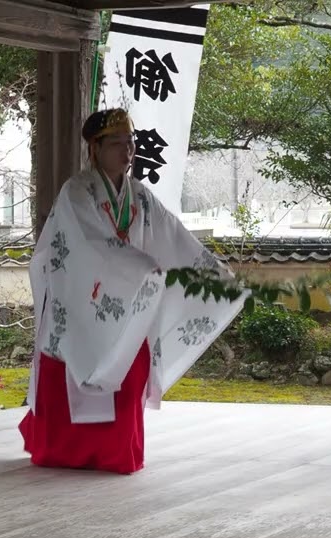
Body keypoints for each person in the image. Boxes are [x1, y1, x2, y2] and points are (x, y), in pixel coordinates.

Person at [19, 108, 245, 474]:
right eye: (118, 145)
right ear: (95, 148)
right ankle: (64, 451)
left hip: (129, 300)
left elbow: (173, 235)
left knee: (129, 370)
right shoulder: (76, 192)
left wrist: (212, 273)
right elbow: (88, 241)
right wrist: (138, 265)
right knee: (73, 363)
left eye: (131, 144)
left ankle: (115, 452)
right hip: (79, 299)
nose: (128, 152)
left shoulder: (140, 196)